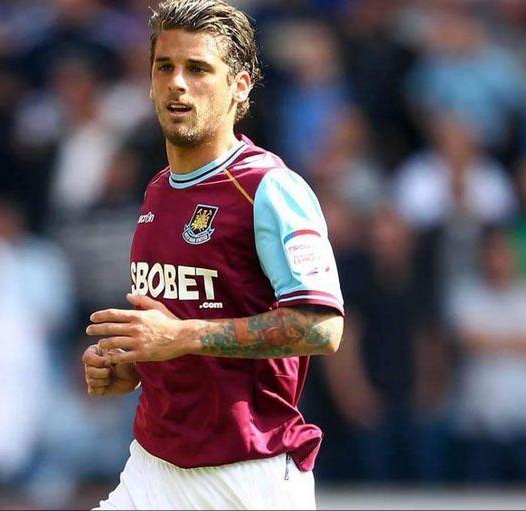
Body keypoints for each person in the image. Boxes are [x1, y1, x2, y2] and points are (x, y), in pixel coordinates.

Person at [81, 1, 344, 509]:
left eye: (198, 68)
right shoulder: (159, 190)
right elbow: (174, 329)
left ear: (240, 85)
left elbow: (321, 328)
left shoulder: (270, 188)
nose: (177, 83)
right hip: (153, 465)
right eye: (165, 67)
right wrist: (130, 365)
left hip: (246, 474)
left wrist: (179, 337)